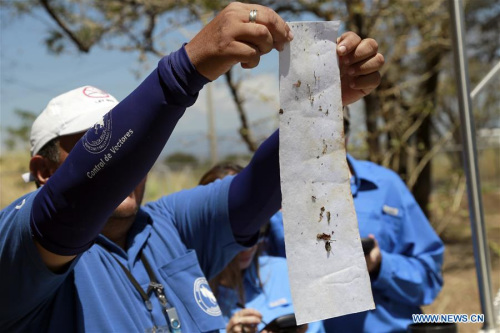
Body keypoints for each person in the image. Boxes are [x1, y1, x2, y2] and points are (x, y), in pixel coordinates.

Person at [0, 2, 384, 332]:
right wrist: (184, 70)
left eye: (136, 149)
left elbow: (257, 191)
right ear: (44, 171)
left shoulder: (167, 224)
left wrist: (318, 108)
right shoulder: (19, 246)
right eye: (106, 151)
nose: (128, 166)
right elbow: (66, 208)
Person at [266, 108, 444, 332]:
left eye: (334, 127)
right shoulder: (274, 196)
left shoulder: (386, 186)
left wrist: (380, 266)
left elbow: (429, 279)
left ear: (346, 132)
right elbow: (254, 280)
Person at [199, 163, 324, 333]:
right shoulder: (188, 292)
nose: (248, 245)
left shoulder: (286, 274)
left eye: (256, 226)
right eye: (235, 231)